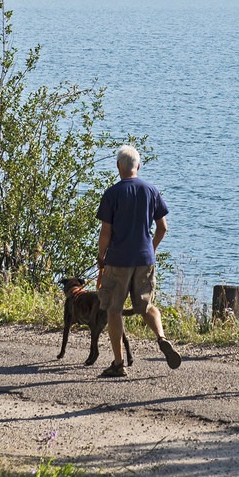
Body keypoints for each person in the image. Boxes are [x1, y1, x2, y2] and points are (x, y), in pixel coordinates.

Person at [95, 144, 182, 378]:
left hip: (118, 260)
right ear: (138, 166)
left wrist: (101, 257)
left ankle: (118, 363)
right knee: (146, 305)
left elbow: (106, 232)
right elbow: (162, 227)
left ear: (118, 167)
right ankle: (162, 337)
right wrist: (150, 249)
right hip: (144, 258)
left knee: (114, 310)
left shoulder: (112, 193)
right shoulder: (151, 190)